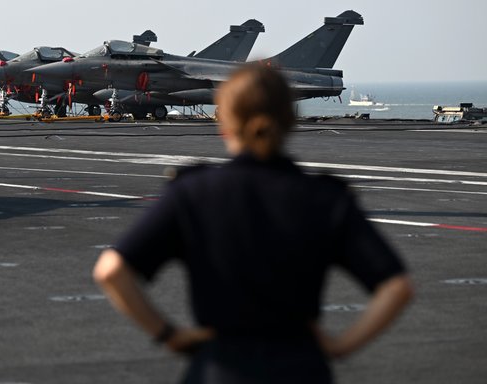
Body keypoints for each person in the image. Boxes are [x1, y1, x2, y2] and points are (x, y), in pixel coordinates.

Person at [92, 65, 413, 383]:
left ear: (225, 124)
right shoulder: (324, 197)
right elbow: (397, 287)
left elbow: (111, 271)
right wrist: (341, 346)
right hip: (300, 368)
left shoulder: (193, 192)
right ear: (288, 121)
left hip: (218, 369)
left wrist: (169, 335)